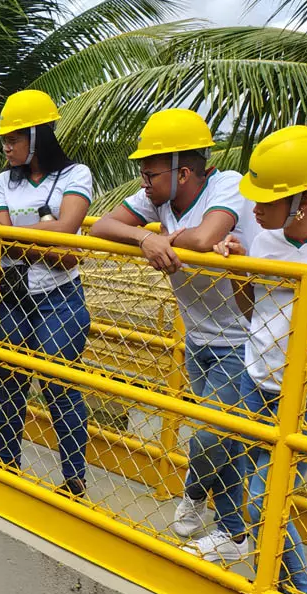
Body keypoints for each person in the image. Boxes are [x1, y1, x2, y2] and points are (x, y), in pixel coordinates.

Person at [90, 109, 257, 561]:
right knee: (221, 440)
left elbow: (205, 238)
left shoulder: (227, 185)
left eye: (149, 173)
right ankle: (232, 534)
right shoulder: (159, 200)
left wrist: (166, 237)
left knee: (210, 437)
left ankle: (196, 494)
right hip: (198, 337)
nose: (142, 182)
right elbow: (104, 224)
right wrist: (147, 239)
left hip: (243, 337)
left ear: (183, 172)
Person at [212, 125, 307, 594]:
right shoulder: (265, 239)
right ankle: (271, 582)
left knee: (267, 494)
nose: (255, 208)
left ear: (303, 201)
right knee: (257, 490)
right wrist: (238, 270)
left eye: (267, 200)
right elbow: (255, 311)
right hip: (259, 378)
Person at [0, 90, 94, 497]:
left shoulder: (74, 175)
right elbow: (1, 233)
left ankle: (74, 478)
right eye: (5, 140)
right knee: (8, 380)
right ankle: (6, 464)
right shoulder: (2, 180)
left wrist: (28, 235)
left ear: (37, 134)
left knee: (58, 383)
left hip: (58, 298)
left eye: (13, 139)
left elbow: (67, 231)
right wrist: (47, 236)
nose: (6, 147)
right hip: (14, 294)